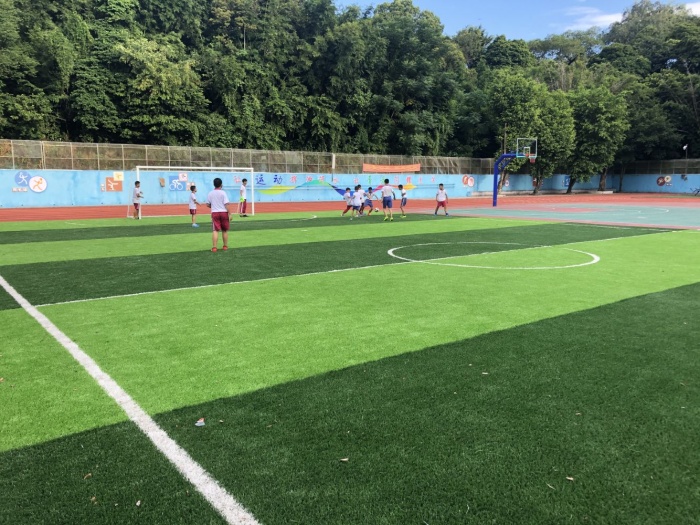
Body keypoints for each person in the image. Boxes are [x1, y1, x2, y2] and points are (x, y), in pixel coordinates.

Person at [206, 177, 232, 252]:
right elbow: (226, 204)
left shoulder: (210, 193)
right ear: (221, 184)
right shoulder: (223, 193)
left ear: (214, 184)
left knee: (215, 230)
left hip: (215, 213)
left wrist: (213, 206)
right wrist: (230, 214)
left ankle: (214, 247)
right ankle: (225, 246)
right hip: (223, 212)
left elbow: (207, 204)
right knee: (225, 230)